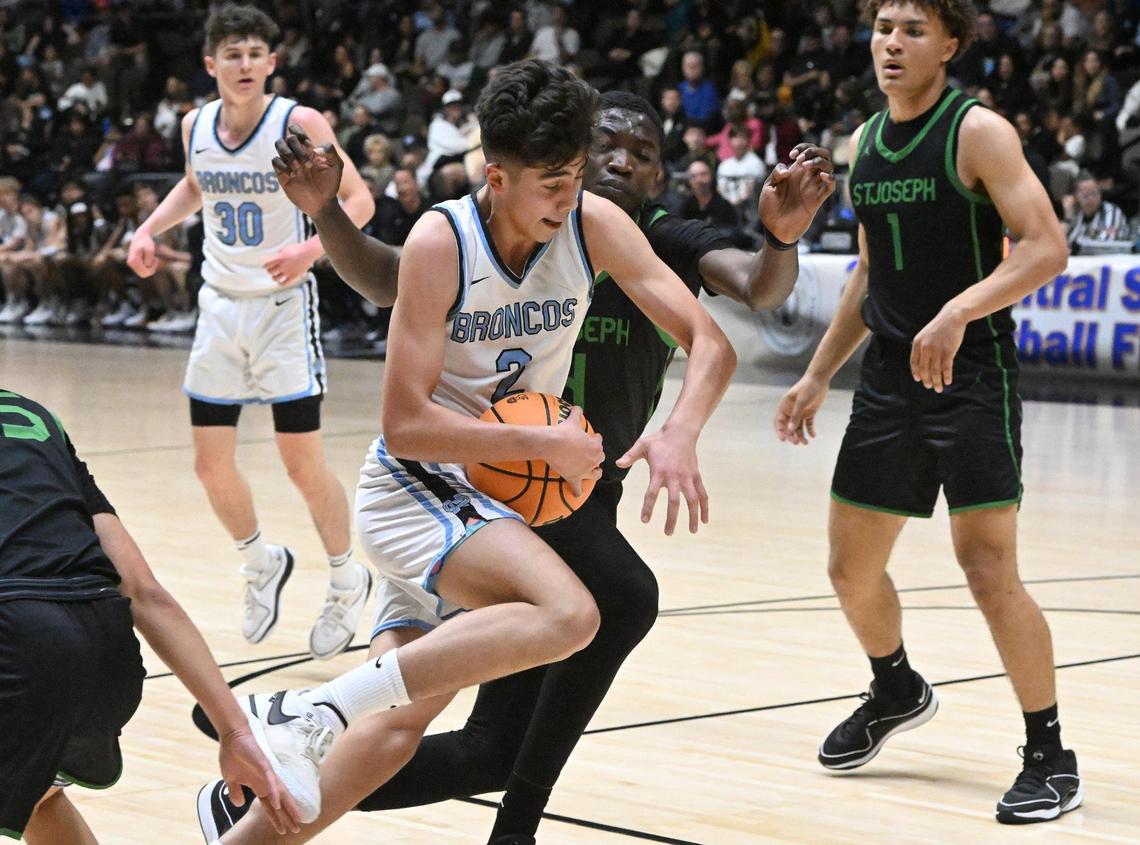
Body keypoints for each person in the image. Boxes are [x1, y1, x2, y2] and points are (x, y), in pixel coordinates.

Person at [197, 88, 832, 844]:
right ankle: (311, 709)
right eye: (557, 180)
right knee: (582, 610)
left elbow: (715, 340)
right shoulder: (446, 241)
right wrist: (543, 445)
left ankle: (247, 807)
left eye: (577, 177)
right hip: (425, 484)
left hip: (513, 495)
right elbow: (404, 424)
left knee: (401, 726)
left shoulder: (599, 225)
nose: (576, 194)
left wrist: (679, 432)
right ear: (498, 178)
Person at [773, 0, 1080, 826]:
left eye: (913, 29)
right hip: (887, 382)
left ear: (950, 44)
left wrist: (958, 312)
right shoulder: (866, 143)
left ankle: (1050, 754)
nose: (893, 44)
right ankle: (895, 685)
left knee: (987, 569)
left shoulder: (977, 130)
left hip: (973, 375)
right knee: (849, 568)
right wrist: (813, 375)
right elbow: (868, 274)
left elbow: (1047, 245)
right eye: (883, 28)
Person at [125, 4, 376, 662]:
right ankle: (262, 561)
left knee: (301, 463)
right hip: (219, 308)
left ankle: (348, 576)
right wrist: (150, 228)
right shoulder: (195, 124)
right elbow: (193, 186)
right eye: (230, 54)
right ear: (211, 64)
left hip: (282, 311)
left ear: (272, 62)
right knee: (210, 466)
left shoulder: (298, 124)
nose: (243, 65)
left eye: (254, 54)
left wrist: (311, 249)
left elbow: (360, 200)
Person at [0, 389, 301, 842]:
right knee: (41, 798)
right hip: (108, 655)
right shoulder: (34, 417)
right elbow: (143, 591)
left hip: (22, 649)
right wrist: (233, 729)